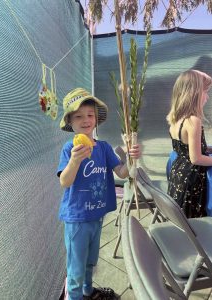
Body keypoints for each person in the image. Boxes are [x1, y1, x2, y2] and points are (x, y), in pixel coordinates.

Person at [57, 87, 141, 300]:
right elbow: (64, 182)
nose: (85, 120)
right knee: (75, 268)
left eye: (90, 115)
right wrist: (75, 161)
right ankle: (74, 296)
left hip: (97, 216)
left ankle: (87, 291)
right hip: (77, 218)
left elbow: (121, 172)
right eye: (78, 116)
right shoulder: (69, 150)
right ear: (70, 121)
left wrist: (132, 160)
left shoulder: (103, 148)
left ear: (96, 119)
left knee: (90, 261)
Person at [166, 69, 212, 218]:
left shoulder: (176, 119)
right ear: (194, 93)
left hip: (178, 174)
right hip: (191, 181)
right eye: (205, 91)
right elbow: (196, 158)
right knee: (192, 221)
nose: (207, 96)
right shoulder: (193, 120)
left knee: (181, 218)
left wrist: (208, 148)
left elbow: (184, 149)